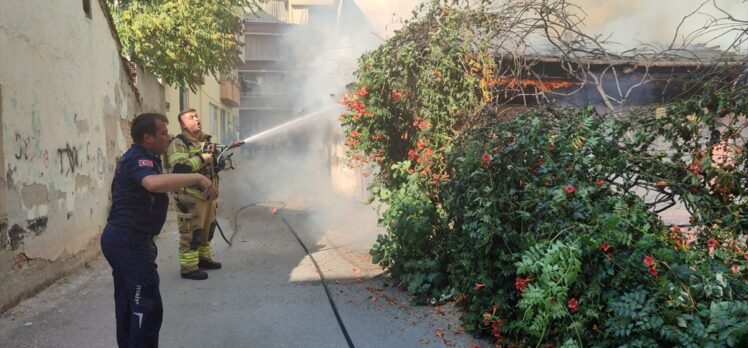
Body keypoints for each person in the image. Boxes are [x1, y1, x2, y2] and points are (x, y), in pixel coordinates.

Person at [101, 113, 214, 347]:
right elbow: (152, 184)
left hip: (128, 240)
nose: (168, 137)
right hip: (128, 242)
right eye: (163, 133)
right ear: (147, 137)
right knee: (146, 306)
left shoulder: (148, 157)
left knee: (130, 304)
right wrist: (196, 177)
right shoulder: (138, 159)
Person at [166, 108, 227, 280]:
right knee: (191, 233)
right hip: (190, 197)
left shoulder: (204, 141)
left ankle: (204, 260)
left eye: (197, 116)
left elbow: (213, 167)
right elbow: (180, 168)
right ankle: (188, 268)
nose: (197, 119)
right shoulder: (179, 143)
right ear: (182, 124)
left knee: (207, 231)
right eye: (191, 117)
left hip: (208, 196)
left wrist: (218, 161)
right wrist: (205, 157)